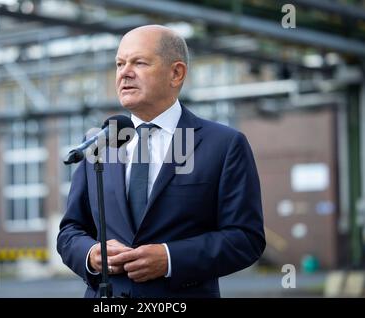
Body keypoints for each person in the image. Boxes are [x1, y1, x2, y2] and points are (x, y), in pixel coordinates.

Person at [57, 25, 265, 298]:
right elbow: (71, 230)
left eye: (139, 62)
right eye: (120, 63)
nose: (124, 72)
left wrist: (170, 259)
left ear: (176, 73)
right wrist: (91, 255)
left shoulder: (224, 145)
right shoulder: (99, 142)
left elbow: (245, 238)